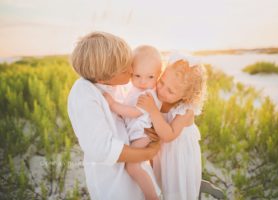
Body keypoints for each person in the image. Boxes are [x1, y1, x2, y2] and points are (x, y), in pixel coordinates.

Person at [67, 31, 160, 200]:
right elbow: (103, 149)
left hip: (137, 171)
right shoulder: (84, 94)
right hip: (115, 186)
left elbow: (133, 114)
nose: (132, 70)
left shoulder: (117, 84)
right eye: (126, 70)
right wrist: (148, 153)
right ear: (102, 78)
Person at [137, 54, 207, 200]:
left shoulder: (185, 110)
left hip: (178, 156)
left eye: (170, 91)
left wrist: (153, 110)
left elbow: (169, 135)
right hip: (162, 153)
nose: (162, 91)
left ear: (186, 96)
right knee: (160, 182)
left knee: (175, 187)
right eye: (161, 82)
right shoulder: (157, 97)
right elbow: (151, 123)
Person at [103, 45, 162, 200]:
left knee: (132, 166)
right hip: (137, 133)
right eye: (137, 75)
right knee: (145, 166)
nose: (143, 81)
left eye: (150, 77)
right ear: (130, 72)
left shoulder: (148, 94)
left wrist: (113, 105)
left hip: (142, 135)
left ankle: (152, 197)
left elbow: (134, 112)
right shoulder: (135, 90)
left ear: (158, 76)